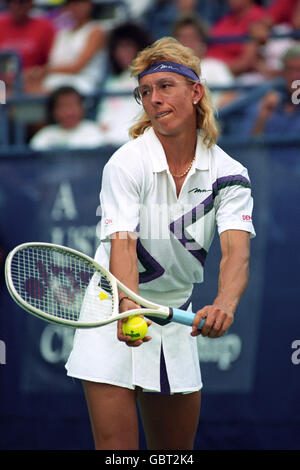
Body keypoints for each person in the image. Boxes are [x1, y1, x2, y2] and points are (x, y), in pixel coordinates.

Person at [65, 37, 255, 450]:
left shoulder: (231, 174)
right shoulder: (126, 162)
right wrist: (128, 309)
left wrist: (224, 304)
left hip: (174, 314)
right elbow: (123, 244)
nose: (154, 99)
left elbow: (236, 252)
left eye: (166, 86)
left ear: (196, 91)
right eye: (145, 91)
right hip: (112, 309)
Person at [25, 0, 106, 96]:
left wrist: (44, 71)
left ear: (90, 5)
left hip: (81, 83)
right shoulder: (62, 33)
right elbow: (54, 62)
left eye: (80, 3)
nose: (76, 8)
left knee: (35, 91)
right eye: (72, 4)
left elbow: (77, 67)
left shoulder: (96, 30)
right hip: (55, 80)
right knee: (22, 86)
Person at [96, 22, 151, 146]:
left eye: (128, 46)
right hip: (111, 144)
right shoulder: (110, 83)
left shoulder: (150, 80)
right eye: (119, 48)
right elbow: (103, 119)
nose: (123, 53)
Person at [172, 13, 236, 108]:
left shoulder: (216, 66)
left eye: (191, 37)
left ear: (201, 40)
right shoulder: (169, 70)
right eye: (183, 38)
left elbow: (231, 95)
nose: (187, 43)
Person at [0, 0, 55, 95]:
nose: (18, 6)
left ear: (31, 4)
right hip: (3, 82)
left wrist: (33, 74)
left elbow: (51, 64)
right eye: (14, 2)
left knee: (46, 92)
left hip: (32, 82)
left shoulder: (45, 27)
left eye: (23, 2)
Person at [29, 85, 104, 150]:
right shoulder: (44, 136)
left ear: (82, 108)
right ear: (54, 111)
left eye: (73, 105)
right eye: (64, 106)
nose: (69, 112)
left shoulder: (96, 131)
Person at [248, 44, 300, 136]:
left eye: (299, 70)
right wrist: (263, 116)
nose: (294, 76)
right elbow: (255, 145)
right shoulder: (273, 101)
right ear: (283, 72)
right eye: (290, 70)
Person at [207, 0, 266, 79]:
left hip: (237, 77)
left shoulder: (257, 18)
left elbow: (246, 62)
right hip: (213, 70)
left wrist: (218, 69)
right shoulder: (225, 19)